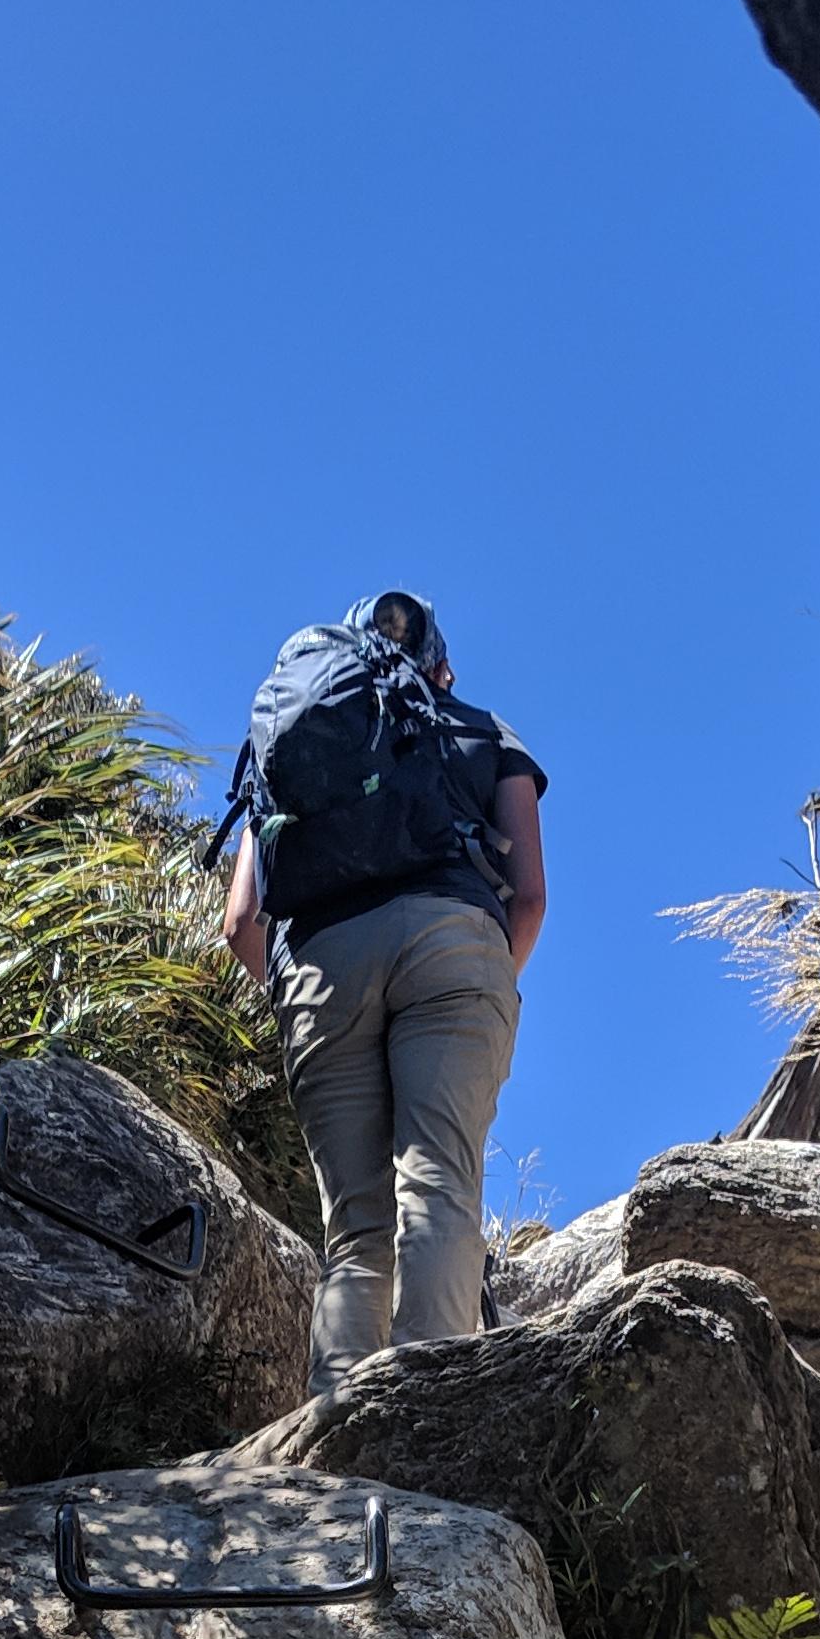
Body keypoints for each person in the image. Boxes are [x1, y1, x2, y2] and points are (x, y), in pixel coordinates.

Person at [221, 589, 546, 1386]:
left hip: (320, 967)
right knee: (438, 1185)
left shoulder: (290, 741)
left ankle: (336, 1437)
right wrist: (479, 985)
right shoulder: (480, 730)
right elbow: (529, 895)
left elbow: (240, 923)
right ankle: (429, 1429)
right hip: (452, 947)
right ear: (438, 664)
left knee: (356, 1229)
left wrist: (306, 992)